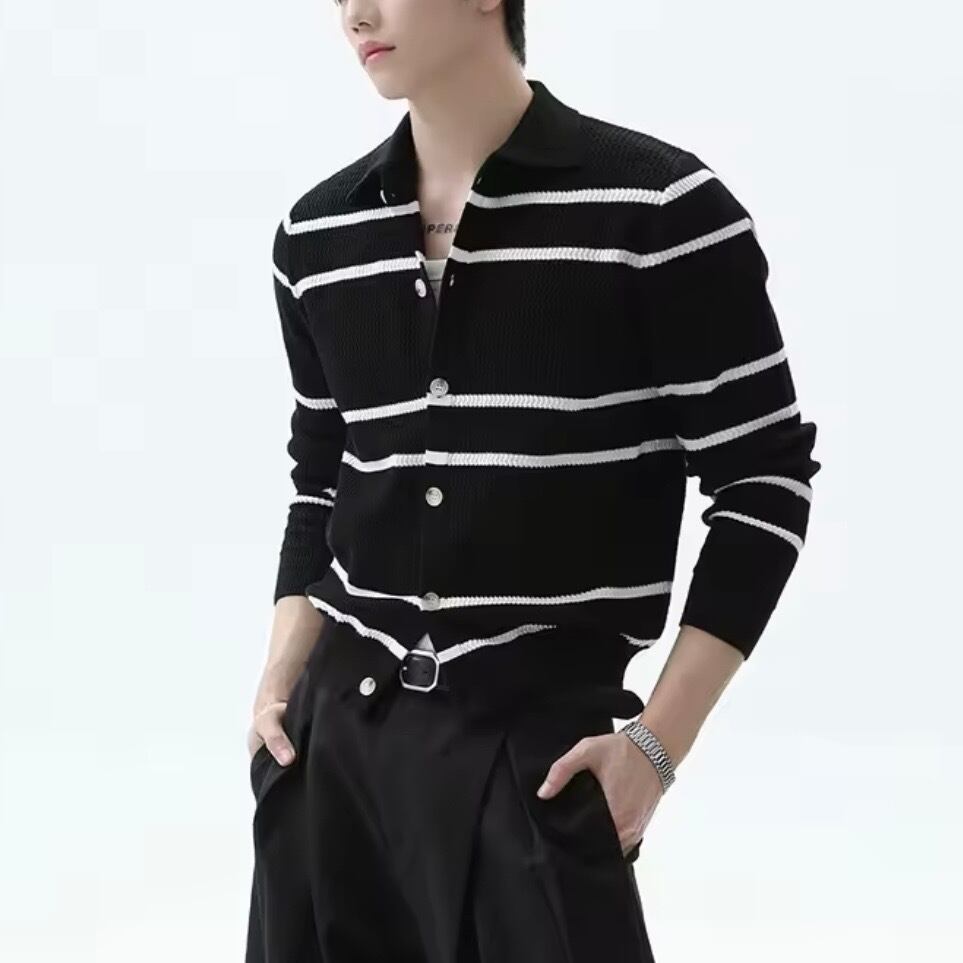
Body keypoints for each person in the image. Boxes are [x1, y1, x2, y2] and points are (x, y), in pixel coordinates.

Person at [244, 2, 822, 961]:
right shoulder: (317, 235)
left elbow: (763, 485)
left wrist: (654, 749)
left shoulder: (661, 212)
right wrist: (276, 679)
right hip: (328, 753)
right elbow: (323, 477)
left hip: (535, 760)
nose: (355, 13)